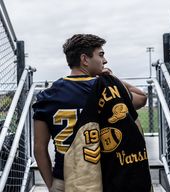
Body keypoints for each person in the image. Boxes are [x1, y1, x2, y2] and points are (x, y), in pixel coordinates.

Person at [32, 34, 150, 192]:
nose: (105, 60)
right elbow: (141, 97)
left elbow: (39, 148)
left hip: (66, 178)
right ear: (84, 59)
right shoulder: (106, 88)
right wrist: (111, 78)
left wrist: (52, 185)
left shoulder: (47, 96)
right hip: (105, 177)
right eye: (100, 55)